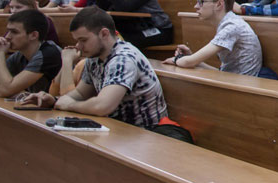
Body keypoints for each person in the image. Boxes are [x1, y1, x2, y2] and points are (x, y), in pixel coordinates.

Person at [14, 7, 170, 130]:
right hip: (119, 130)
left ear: (104, 34)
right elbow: (80, 93)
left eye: (83, 40)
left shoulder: (123, 59)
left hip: (144, 134)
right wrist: (54, 101)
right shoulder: (94, 57)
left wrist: (68, 105)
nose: (78, 47)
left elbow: (103, 106)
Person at [165, 0, 277, 78]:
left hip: (244, 87)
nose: (196, 6)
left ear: (219, 4)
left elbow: (188, 62)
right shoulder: (227, 23)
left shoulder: (232, 27)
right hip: (234, 80)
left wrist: (180, 59)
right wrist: (191, 58)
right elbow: (223, 72)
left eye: (201, 2)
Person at [0, 8, 62, 96]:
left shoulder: (49, 54)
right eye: (8, 31)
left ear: (33, 35)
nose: (7, 36)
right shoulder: (19, 56)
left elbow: (5, 90)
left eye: (14, 32)